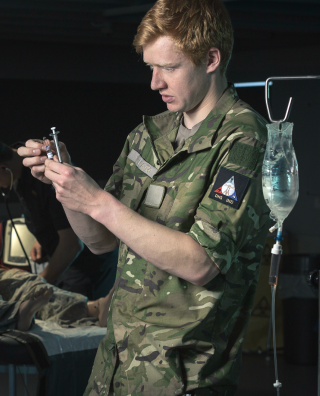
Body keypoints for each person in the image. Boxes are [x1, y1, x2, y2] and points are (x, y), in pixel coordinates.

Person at [18, 0, 270, 394]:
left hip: (181, 374)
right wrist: (67, 186)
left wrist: (100, 201)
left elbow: (200, 261)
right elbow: (101, 241)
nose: (155, 83)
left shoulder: (242, 137)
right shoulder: (149, 135)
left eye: (169, 68)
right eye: (151, 68)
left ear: (210, 59)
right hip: (117, 362)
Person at [0, 135, 118, 300]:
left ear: (3, 168)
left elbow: (72, 244)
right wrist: (43, 239)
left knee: (80, 319)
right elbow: (51, 215)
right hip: (65, 262)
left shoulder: (43, 172)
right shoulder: (18, 174)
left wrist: (37, 284)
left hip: (85, 268)